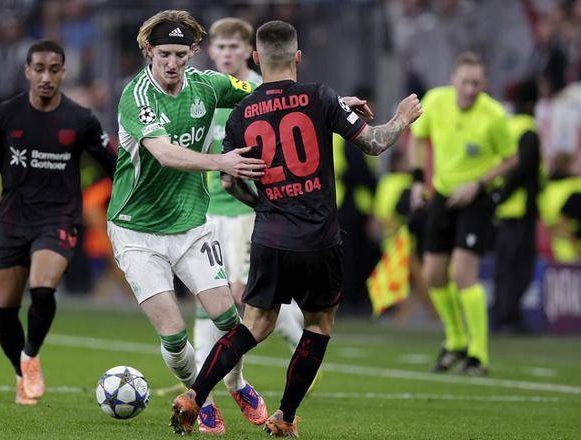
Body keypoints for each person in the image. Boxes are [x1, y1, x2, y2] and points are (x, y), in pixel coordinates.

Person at [171, 20, 422, 436]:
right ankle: (284, 417)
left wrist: (263, 205)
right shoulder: (320, 96)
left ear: (255, 58)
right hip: (319, 237)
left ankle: (195, 395)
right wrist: (402, 117)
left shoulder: (241, 112)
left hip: (269, 235)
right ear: (298, 57)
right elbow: (375, 143)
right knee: (318, 324)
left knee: (253, 325)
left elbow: (230, 181)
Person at [106, 10, 269, 434]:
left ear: (194, 51)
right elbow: (164, 153)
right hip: (136, 231)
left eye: (180, 54)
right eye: (164, 54)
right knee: (175, 335)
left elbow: (268, 93)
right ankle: (203, 399)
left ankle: (237, 383)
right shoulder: (137, 96)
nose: (172, 63)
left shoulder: (209, 85)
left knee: (229, 320)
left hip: (191, 225)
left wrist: (331, 104)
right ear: (148, 51)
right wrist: (222, 161)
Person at [0, 40, 117, 405]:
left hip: (59, 217)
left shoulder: (81, 119)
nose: (46, 77)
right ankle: (21, 372)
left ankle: (30, 354)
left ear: (63, 73)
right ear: (28, 71)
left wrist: (135, 197)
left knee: (43, 289)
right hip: (13, 219)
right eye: (39, 69)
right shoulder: (6, 114)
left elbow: (113, 164)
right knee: (5, 308)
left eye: (54, 70)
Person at [185, 18, 309, 432]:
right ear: (212, 51)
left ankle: (292, 349)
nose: (226, 53)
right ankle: (211, 392)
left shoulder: (258, 91)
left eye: (233, 47)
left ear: (248, 53)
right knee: (209, 297)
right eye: (219, 47)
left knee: (241, 294)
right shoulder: (205, 92)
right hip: (208, 211)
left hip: (246, 209)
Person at [408, 52, 517, 376]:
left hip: (477, 199)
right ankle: (455, 340)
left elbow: (510, 158)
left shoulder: (493, 115)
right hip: (443, 195)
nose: (470, 89)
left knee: (462, 273)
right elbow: (418, 138)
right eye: (465, 82)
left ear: (484, 85)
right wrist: (418, 181)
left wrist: (478, 184)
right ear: (453, 80)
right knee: (432, 275)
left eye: (477, 84)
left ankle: (478, 355)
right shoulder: (436, 101)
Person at [492, 80, 542, 333]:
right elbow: (523, 169)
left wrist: (498, 197)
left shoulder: (508, 126)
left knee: (504, 265)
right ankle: (509, 317)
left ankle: (502, 315)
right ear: (532, 104)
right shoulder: (528, 130)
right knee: (520, 266)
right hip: (520, 208)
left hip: (503, 210)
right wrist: (505, 195)